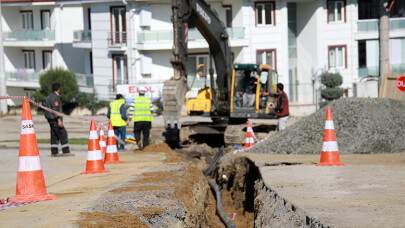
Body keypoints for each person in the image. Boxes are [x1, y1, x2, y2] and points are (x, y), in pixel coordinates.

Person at [45, 83, 74, 157]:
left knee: (54, 135)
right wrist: (59, 120)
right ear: (58, 89)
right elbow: (55, 109)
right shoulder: (55, 97)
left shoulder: (49, 97)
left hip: (51, 119)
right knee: (63, 133)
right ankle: (66, 151)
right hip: (55, 119)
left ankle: (54, 152)